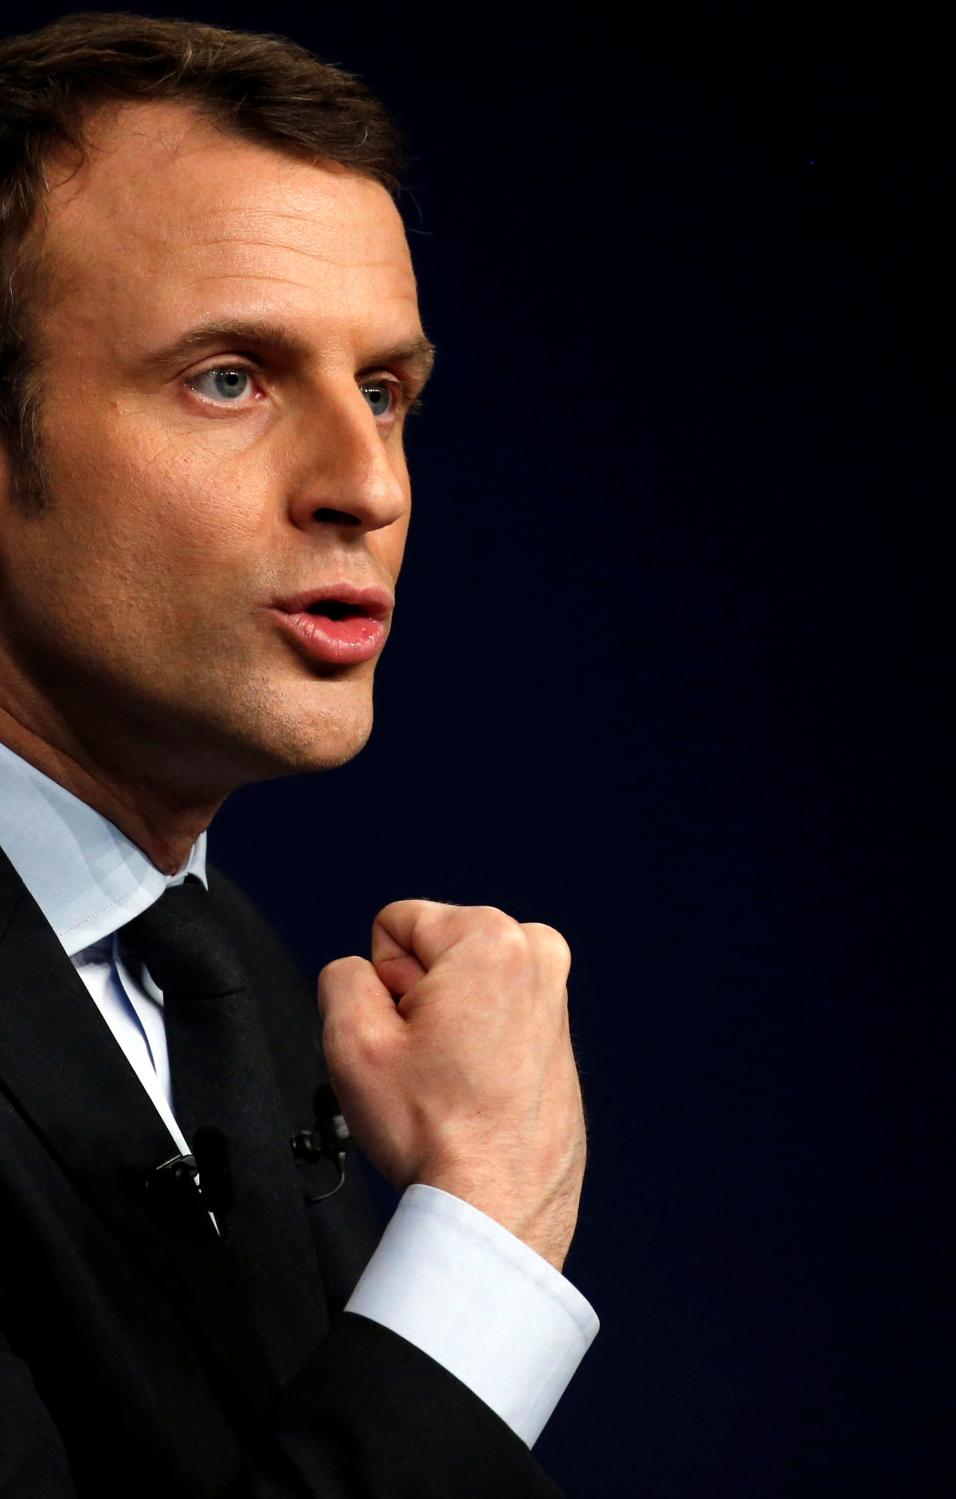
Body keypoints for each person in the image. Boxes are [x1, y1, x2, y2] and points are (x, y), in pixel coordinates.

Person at [0, 12, 597, 1496]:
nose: (367, 484)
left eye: (385, 391)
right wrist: (483, 1242)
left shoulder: (243, 986)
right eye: (230, 377)